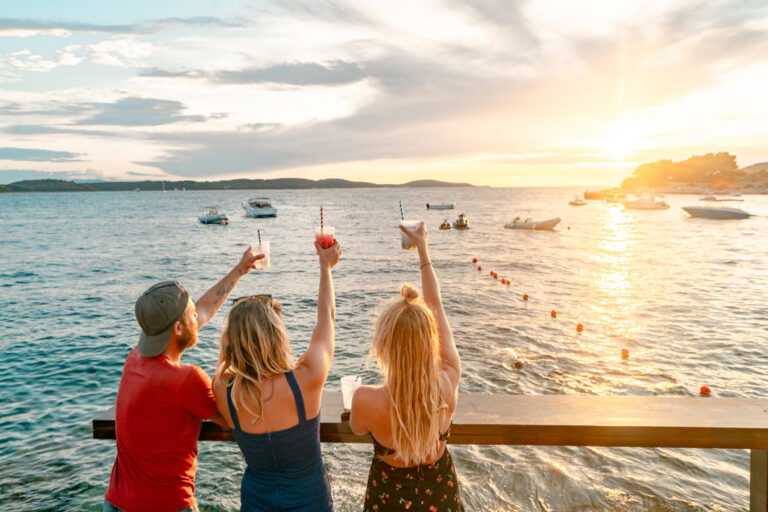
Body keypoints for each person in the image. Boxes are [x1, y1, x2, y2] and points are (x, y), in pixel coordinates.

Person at [104, 248, 263, 512]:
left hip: (117, 504)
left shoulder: (134, 359)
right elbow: (233, 419)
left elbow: (202, 311)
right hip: (167, 507)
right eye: (191, 314)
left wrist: (240, 270)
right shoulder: (186, 379)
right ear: (178, 329)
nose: (197, 317)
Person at [213, 239, 342, 511]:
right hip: (310, 500)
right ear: (277, 335)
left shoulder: (224, 389)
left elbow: (224, 359)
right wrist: (325, 267)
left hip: (256, 501)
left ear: (232, 340)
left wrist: (231, 343)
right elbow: (326, 319)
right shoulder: (306, 377)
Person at [350, 222, 464, 511]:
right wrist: (423, 248)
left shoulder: (365, 399)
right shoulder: (448, 382)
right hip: (440, 494)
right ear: (431, 342)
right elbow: (435, 306)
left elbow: (356, 428)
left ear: (385, 347)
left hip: (388, 498)